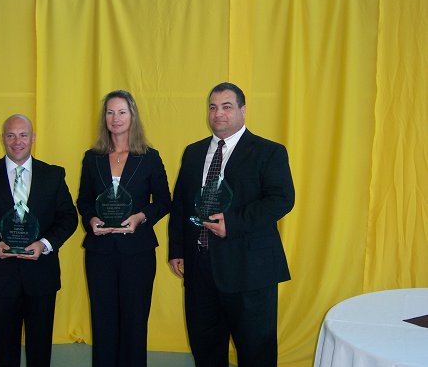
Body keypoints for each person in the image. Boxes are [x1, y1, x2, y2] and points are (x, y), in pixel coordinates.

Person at [168, 82, 295, 367]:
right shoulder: (193, 152)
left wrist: (233, 224)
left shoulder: (268, 152)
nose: (218, 114)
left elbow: (282, 199)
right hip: (200, 270)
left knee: (255, 354)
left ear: (243, 110)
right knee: (206, 351)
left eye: (227, 107)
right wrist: (177, 249)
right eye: (213, 107)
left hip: (249, 271)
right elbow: (180, 205)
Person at [0, 114, 78, 367]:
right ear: (2, 139)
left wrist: (44, 244)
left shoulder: (53, 175)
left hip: (41, 276)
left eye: (23, 135)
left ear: (33, 138)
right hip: (0, 276)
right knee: (4, 351)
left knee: (40, 350)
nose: (17, 141)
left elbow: (68, 218)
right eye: (11, 135)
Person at [77, 90, 171, 367]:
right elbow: (84, 201)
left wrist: (141, 216)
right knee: (103, 321)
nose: (115, 118)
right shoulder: (92, 157)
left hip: (137, 252)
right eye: (110, 112)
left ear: (132, 116)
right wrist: (91, 220)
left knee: (134, 321)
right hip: (100, 252)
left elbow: (164, 202)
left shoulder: (150, 157)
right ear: (104, 118)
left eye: (121, 112)